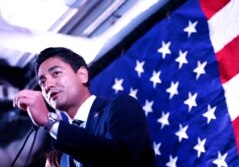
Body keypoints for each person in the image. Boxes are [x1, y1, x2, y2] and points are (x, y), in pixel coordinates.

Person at [13, 47, 156, 167]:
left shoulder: (121, 107)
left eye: (56, 73)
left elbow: (120, 159)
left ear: (82, 75)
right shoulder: (63, 158)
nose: (48, 86)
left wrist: (49, 122)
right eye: (42, 82)